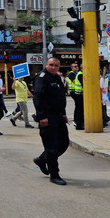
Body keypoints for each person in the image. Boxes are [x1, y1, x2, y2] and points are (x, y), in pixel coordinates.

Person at [33, 57, 70, 185]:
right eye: (51, 65)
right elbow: (38, 98)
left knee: (64, 143)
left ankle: (42, 160)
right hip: (47, 117)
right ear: (46, 64)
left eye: (56, 65)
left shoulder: (57, 77)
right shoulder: (42, 78)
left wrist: (64, 114)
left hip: (59, 116)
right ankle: (54, 175)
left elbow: (60, 97)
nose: (53, 67)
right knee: (52, 148)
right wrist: (42, 117)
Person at [66, 63, 84, 130]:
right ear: (71, 67)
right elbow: (74, 81)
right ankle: (77, 122)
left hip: (77, 92)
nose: (77, 67)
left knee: (79, 108)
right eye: (75, 66)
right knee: (79, 108)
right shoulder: (72, 74)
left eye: (77, 66)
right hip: (75, 92)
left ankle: (79, 121)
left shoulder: (77, 73)